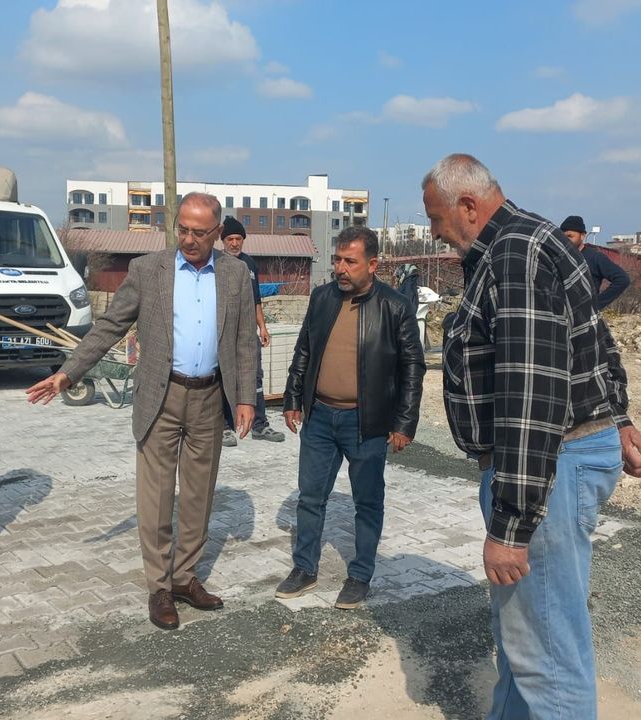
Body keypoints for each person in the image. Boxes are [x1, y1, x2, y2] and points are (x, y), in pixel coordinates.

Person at [421, 154, 641, 719]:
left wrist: (512, 526)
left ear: (468, 206)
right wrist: (617, 416)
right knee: (523, 639)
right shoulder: (533, 241)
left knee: (547, 656)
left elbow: (530, 397)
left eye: (435, 219)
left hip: (547, 466)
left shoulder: (514, 255)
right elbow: (591, 339)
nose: (434, 233)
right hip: (562, 457)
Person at [25, 193, 259, 631]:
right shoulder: (148, 270)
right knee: (156, 496)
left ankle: (185, 578)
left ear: (217, 232)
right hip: (160, 396)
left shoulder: (235, 275)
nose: (189, 239)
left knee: (198, 495)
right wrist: (68, 374)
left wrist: (246, 397)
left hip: (209, 398)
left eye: (199, 232)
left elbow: (246, 340)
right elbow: (110, 325)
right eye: (182, 230)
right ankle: (159, 587)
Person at [274, 226, 425, 609]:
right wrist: (292, 397)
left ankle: (360, 575)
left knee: (368, 502)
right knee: (311, 497)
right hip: (320, 419)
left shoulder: (394, 306)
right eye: (337, 260)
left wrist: (404, 423)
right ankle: (304, 568)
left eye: (350, 261)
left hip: (367, 423)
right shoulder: (322, 298)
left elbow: (413, 367)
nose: (340, 268)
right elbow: (304, 350)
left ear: (372, 265)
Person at [218, 216, 285, 446]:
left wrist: (262, 327)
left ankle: (259, 425)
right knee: (223, 377)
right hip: (223, 333)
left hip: (247, 333)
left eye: (238, 238)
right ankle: (224, 426)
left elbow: (256, 300)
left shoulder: (250, 265)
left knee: (255, 377)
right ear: (223, 241)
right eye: (230, 239)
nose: (234, 243)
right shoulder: (216, 264)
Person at [560, 215, 631, 311]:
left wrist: (597, 304)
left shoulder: (595, 258)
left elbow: (622, 279)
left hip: (585, 314)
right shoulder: (559, 258)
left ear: (582, 236)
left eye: (570, 236)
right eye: (563, 237)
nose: (566, 240)